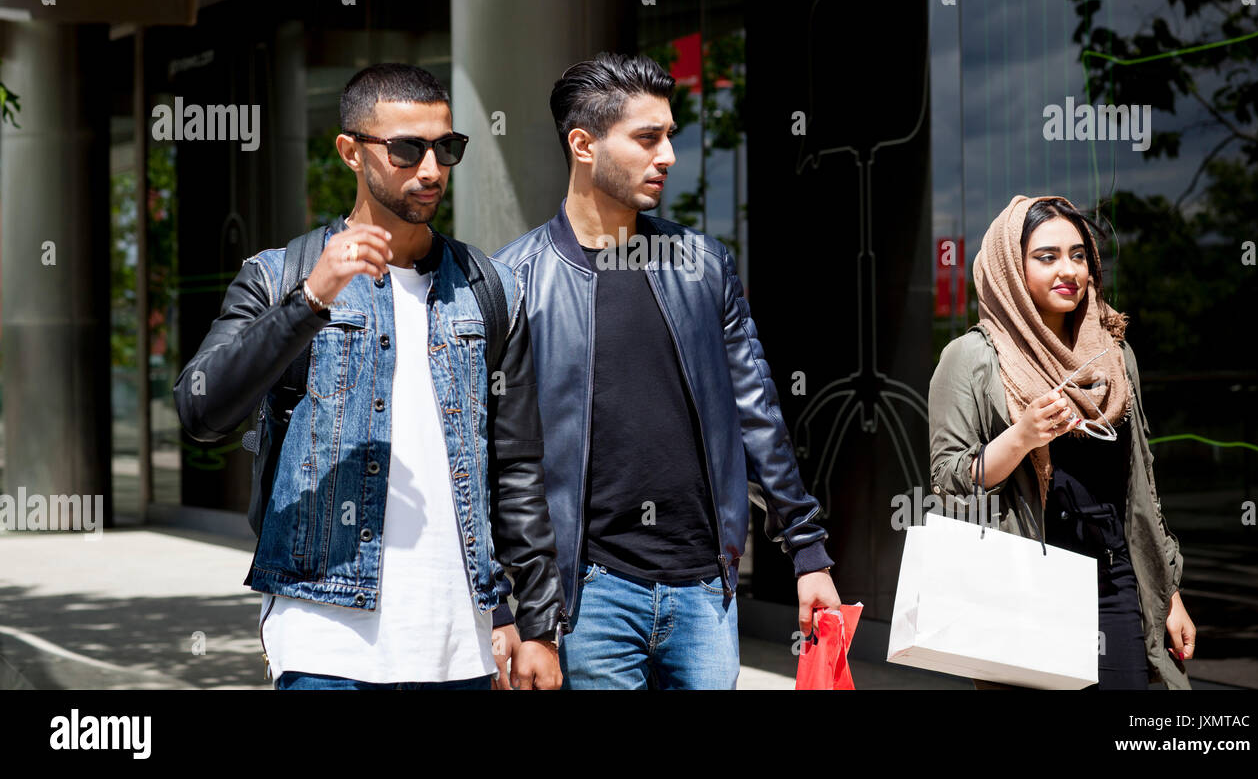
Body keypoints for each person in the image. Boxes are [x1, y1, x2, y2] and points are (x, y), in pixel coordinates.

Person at [173, 63, 566, 690]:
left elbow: (516, 465)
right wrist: (310, 301)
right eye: (407, 149)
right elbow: (201, 412)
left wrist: (538, 622)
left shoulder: (489, 289)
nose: (431, 170)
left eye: (447, 148)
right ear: (351, 152)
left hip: (460, 651)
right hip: (326, 645)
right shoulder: (279, 275)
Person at [492, 52, 842, 689]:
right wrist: (503, 604)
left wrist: (806, 549)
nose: (668, 157)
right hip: (588, 596)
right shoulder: (514, 282)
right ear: (583, 145)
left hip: (706, 590)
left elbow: (755, 409)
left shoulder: (702, 265)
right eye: (646, 138)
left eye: (669, 137)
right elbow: (495, 458)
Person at [928, 194, 1195, 689]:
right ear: (1011, 265)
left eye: (1078, 255)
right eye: (1046, 256)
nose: (1068, 269)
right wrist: (1023, 436)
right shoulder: (970, 358)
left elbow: (1141, 491)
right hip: (1025, 580)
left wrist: (1168, 593)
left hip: (1114, 579)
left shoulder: (1114, 357)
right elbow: (949, 480)